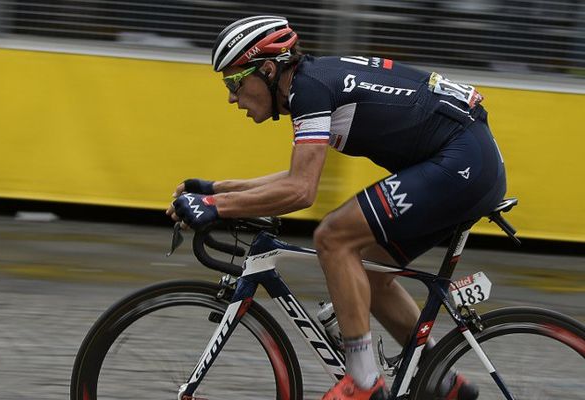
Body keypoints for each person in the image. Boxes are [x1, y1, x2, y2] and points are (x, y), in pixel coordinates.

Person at [166, 15, 505, 400]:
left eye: (234, 82)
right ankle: (443, 383)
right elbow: (298, 174)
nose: (230, 96)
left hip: (462, 162)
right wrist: (216, 189)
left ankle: (363, 381)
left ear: (269, 69)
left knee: (333, 237)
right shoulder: (312, 82)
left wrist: (215, 206)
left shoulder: (310, 89)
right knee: (370, 276)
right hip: (467, 161)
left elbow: (300, 191)